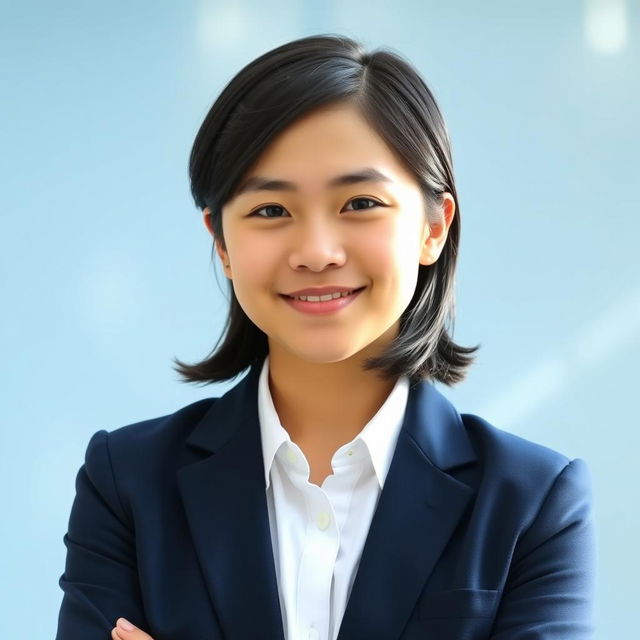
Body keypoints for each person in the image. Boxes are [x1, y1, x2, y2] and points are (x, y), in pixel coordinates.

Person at [56, 34, 596, 640]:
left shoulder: (533, 504)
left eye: (360, 202)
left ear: (433, 227)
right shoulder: (126, 484)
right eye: (270, 211)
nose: (316, 253)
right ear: (221, 242)